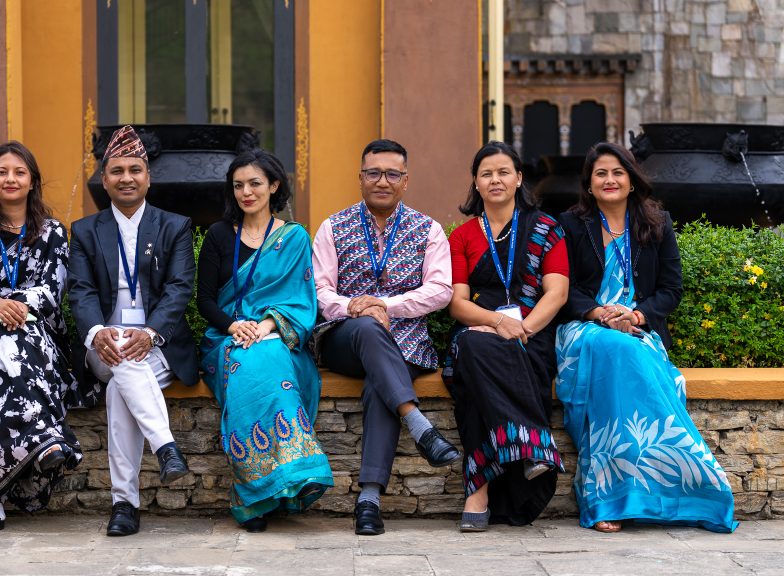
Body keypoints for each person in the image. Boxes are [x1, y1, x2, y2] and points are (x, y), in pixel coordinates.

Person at [555, 142, 737, 534]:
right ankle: (608, 496)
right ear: (588, 184)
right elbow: (561, 288)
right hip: (584, 329)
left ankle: (692, 487)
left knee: (629, 350)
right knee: (616, 348)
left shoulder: (657, 223)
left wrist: (636, 315)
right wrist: (602, 313)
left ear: (632, 181)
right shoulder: (570, 225)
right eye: (600, 173)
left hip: (640, 329)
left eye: (618, 172)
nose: (609, 180)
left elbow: (671, 288)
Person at [312, 139, 459, 536]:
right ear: (360, 178)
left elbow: (441, 289)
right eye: (373, 173)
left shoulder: (426, 229)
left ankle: (369, 501)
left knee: (382, 384)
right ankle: (418, 423)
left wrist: (384, 305)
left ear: (405, 181)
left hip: (407, 343)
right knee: (366, 328)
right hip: (345, 338)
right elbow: (321, 293)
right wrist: (357, 309)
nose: (382, 181)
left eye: (392, 174)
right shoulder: (333, 226)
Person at [0, 141, 94, 531]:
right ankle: (46, 440)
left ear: (32, 181)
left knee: (9, 351)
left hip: (37, 329)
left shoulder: (52, 233)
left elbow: (52, 290)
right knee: (0, 338)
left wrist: (13, 307)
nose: (10, 178)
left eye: (19, 172)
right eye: (2, 172)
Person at [68, 125, 199, 537]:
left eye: (135, 169)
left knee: (119, 388)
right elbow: (82, 291)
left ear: (148, 177)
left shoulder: (174, 226)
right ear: (104, 179)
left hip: (158, 345)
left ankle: (124, 504)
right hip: (103, 342)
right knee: (122, 357)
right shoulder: (86, 231)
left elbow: (180, 288)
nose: (127, 177)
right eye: (118, 170)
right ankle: (166, 447)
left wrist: (152, 332)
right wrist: (95, 333)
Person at [198, 149, 333, 533]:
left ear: (274, 186)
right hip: (225, 339)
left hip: (277, 336)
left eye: (255, 183)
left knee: (267, 354)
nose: (246, 192)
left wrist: (267, 326)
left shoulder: (293, 238)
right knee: (247, 360)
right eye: (238, 185)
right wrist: (233, 326)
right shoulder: (219, 235)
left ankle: (274, 483)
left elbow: (301, 300)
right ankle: (255, 492)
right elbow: (205, 299)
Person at [443, 141, 568, 532]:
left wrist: (523, 328)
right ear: (476, 184)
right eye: (486, 174)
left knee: (477, 377)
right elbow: (457, 304)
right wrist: (498, 324)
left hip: (534, 333)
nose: (495, 180)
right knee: (476, 345)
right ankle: (532, 448)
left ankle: (478, 489)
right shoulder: (462, 236)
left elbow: (558, 292)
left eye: (502, 172)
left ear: (518, 179)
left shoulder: (547, 228)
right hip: (479, 328)